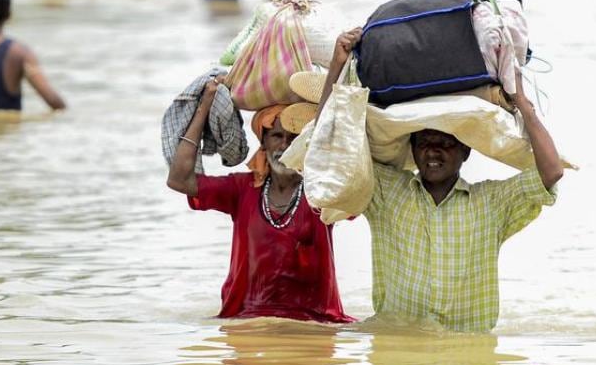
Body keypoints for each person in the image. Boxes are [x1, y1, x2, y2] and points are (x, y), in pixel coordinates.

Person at [316, 31, 565, 333]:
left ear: (465, 152)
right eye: (424, 141)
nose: (433, 150)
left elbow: (551, 172)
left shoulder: (492, 203)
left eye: (445, 143)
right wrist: (337, 66)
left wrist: (522, 103)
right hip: (399, 354)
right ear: (412, 149)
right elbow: (330, 150)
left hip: (468, 358)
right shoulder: (386, 192)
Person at [166, 76, 355, 323]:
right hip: (247, 320)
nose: (285, 146)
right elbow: (179, 180)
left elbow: (354, 180)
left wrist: (338, 68)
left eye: (294, 138)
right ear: (263, 142)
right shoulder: (241, 189)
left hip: (314, 325)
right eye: (277, 136)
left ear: (306, 144)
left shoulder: (321, 191)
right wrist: (205, 106)